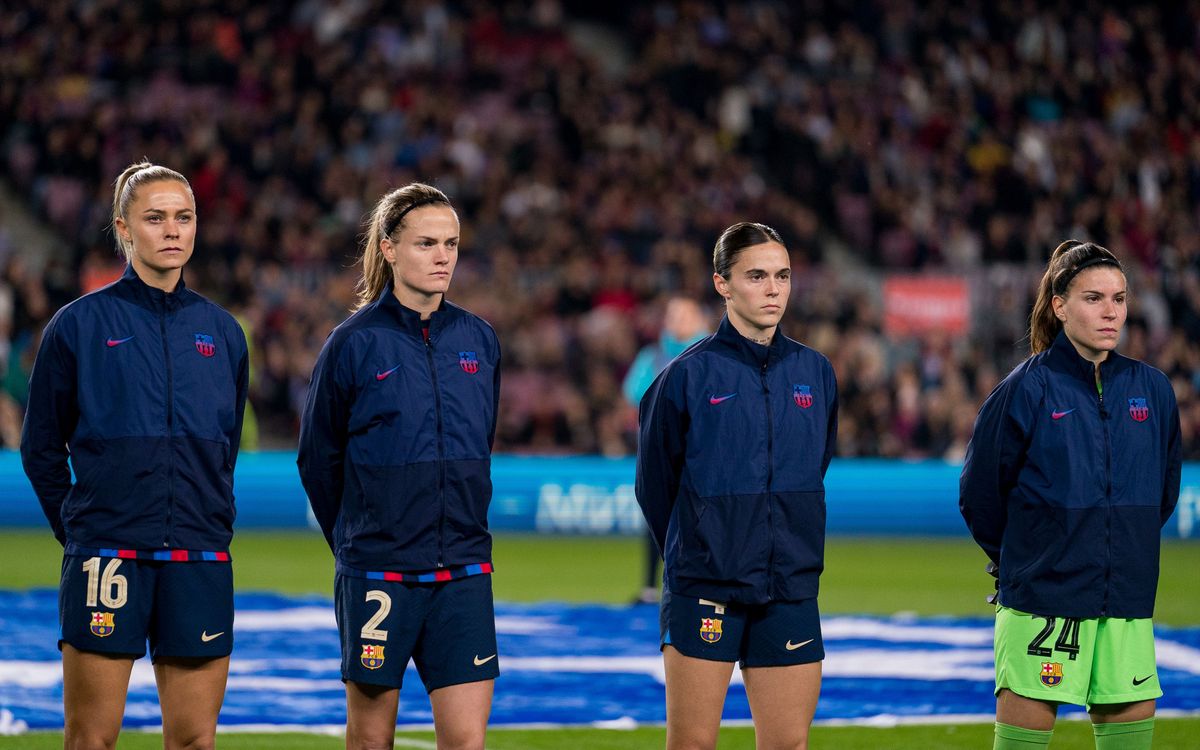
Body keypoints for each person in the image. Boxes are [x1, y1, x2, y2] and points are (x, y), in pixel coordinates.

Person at [20, 161, 249, 750]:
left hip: (198, 556)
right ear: (123, 228)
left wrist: (210, 517)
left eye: (184, 217)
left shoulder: (223, 332)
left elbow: (224, 448)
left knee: (196, 740)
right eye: (155, 218)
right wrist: (79, 530)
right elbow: (40, 448)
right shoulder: (77, 326)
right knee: (91, 738)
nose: (172, 230)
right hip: (107, 556)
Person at [298, 183, 501, 750]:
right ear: (389, 249)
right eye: (426, 243)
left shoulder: (479, 340)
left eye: (452, 244)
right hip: (378, 571)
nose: (443, 257)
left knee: (466, 741)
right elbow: (318, 459)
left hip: (462, 570)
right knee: (370, 740)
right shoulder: (352, 344)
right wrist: (359, 541)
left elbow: (479, 443)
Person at [960, 240, 1182, 750]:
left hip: (1126, 601)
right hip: (1043, 600)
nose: (1111, 312)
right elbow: (979, 497)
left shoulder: (1152, 390)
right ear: (1059, 306)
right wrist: (1027, 558)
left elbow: (1160, 495)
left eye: (1119, 298)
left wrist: (1119, 549)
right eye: (1094, 298)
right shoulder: (1024, 390)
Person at [635, 222, 837, 750]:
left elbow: (815, 466)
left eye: (783, 275)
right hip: (707, 585)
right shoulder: (684, 376)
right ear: (723, 284)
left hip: (789, 587)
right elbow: (654, 487)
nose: (773, 289)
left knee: (788, 743)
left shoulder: (815, 373)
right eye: (756, 276)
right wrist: (702, 547)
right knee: (693, 745)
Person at [622, 296, 709, 605]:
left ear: (699, 319)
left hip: (703, 452)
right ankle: (651, 587)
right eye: (673, 315)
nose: (678, 321)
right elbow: (634, 397)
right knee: (657, 517)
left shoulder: (713, 353)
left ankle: (699, 585)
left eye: (685, 314)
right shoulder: (654, 356)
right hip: (662, 451)